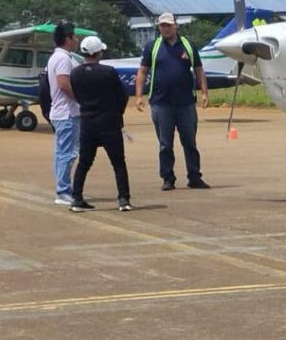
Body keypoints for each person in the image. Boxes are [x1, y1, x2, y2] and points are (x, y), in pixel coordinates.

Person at [134, 12, 210, 191]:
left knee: (190, 142)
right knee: (165, 144)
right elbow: (143, 72)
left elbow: (199, 70)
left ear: (175, 25)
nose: (165, 28)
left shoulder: (188, 46)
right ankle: (168, 177)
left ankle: (194, 176)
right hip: (161, 103)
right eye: (162, 26)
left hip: (186, 103)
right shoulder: (152, 47)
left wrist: (204, 92)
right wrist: (139, 96)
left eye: (168, 25)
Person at [67, 36, 132, 212]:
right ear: (98, 53)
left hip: (88, 122)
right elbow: (122, 96)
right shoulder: (108, 72)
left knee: (84, 163)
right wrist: (118, 112)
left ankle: (77, 198)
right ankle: (123, 199)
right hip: (109, 121)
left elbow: (77, 96)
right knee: (118, 162)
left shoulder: (75, 73)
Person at [47, 21, 81, 206]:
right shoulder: (63, 59)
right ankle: (63, 190)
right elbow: (63, 83)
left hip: (64, 112)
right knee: (67, 153)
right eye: (74, 36)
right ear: (67, 39)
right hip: (67, 113)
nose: (76, 40)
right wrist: (80, 99)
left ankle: (64, 188)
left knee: (64, 152)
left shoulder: (59, 57)